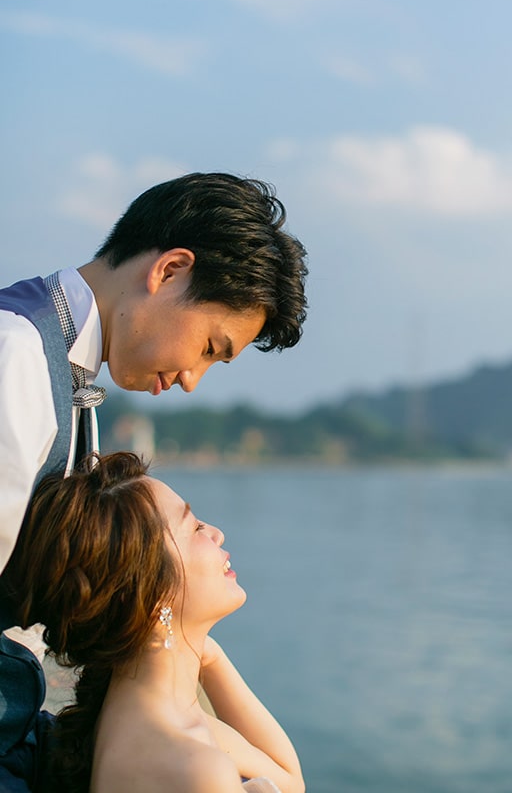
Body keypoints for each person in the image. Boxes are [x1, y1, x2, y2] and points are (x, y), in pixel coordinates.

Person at [0, 172, 307, 791]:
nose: (194, 378)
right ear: (169, 270)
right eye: (211, 347)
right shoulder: (15, 361)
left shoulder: (63, 370)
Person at [3, 451, 305, 793]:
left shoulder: (150, 707)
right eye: (194, 528)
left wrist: (203, 650)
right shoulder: (197, 769)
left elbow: (288, 778)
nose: (217, 533)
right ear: (150, 591)